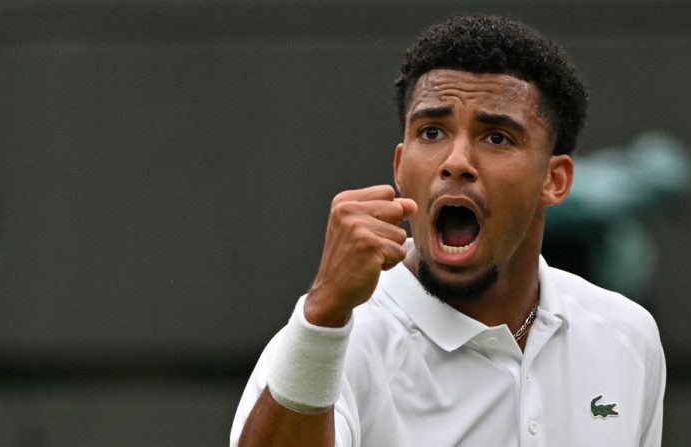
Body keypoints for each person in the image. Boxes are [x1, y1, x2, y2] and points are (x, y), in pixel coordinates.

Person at [230, 14, 665, 446]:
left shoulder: (627, 337)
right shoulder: (334, 343)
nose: (455, 161)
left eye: (496, 137)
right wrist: (323, 314)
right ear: (400, 166)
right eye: (432, 131)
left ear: (555, 181)